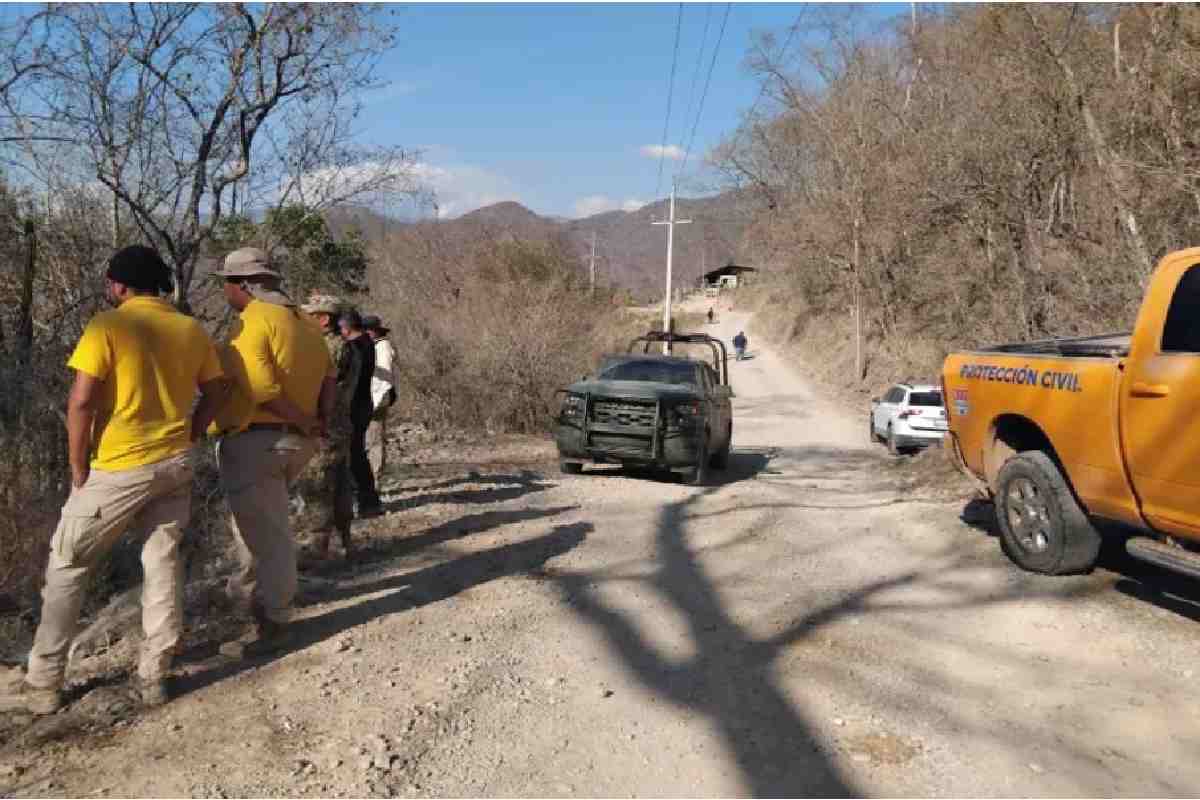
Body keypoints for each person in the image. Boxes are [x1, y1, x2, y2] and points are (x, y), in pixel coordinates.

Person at [1, 245, 226, 714]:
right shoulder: (190, 328)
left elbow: (81, 402)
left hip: (121, 465)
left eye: (110, 283)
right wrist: (192, 430)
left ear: (120, 285)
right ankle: (155, 673)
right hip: (174, 463)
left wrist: (78, 465)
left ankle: (43, 682)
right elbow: (218, 390)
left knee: (68, 561)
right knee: (162, 562)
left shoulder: (110, 325)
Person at [209, 248, 334, 658]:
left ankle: (275, 622)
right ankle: (255, 608)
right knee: (264, 528)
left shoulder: (254, 321)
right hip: (295, 443)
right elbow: (329, 379)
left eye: (226, 282)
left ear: (242, 285)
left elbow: (261, 388)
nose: (224, 290)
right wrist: (317, 422)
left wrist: (300, 420)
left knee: (271, 537)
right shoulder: (306, 324)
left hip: (259, 440)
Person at [296, 294, 358, 559]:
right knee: (341, 482)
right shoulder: (345, 345)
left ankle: (317, 546)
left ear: (323, 319)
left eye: (309, 316)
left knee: (317, 485)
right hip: (341, 424)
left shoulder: (328, 348)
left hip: (326, 425)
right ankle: (345, 541)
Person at [338, 309, 382, 517]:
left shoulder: (354, 347)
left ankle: (367, 501)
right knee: (357, 453)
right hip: (363, 403)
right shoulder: (367, 343)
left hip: (355, 404)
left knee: (354, 454)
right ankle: (367, 500)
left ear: (345, 327)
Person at [362, 314, 397, 476]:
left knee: (374, 439)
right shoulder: (373, 346)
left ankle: (374, 478)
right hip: (370, 397)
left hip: (377, 398)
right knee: (368, 439)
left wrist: (374, 402)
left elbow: (384, 378)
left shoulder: (383, 347)